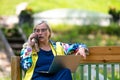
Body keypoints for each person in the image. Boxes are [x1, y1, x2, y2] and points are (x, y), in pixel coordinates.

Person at [20, 21, 89, 80]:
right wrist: (29, 46)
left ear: (49, 32)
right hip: (38, 78)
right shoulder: (28, 49)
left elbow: (77, 45)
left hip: (55, 77)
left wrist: (81, 48)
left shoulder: (58, 46)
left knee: (66, 71)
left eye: (43, 30)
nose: (40, 33)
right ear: (34, 34)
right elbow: (26, 66)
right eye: (37, 31)